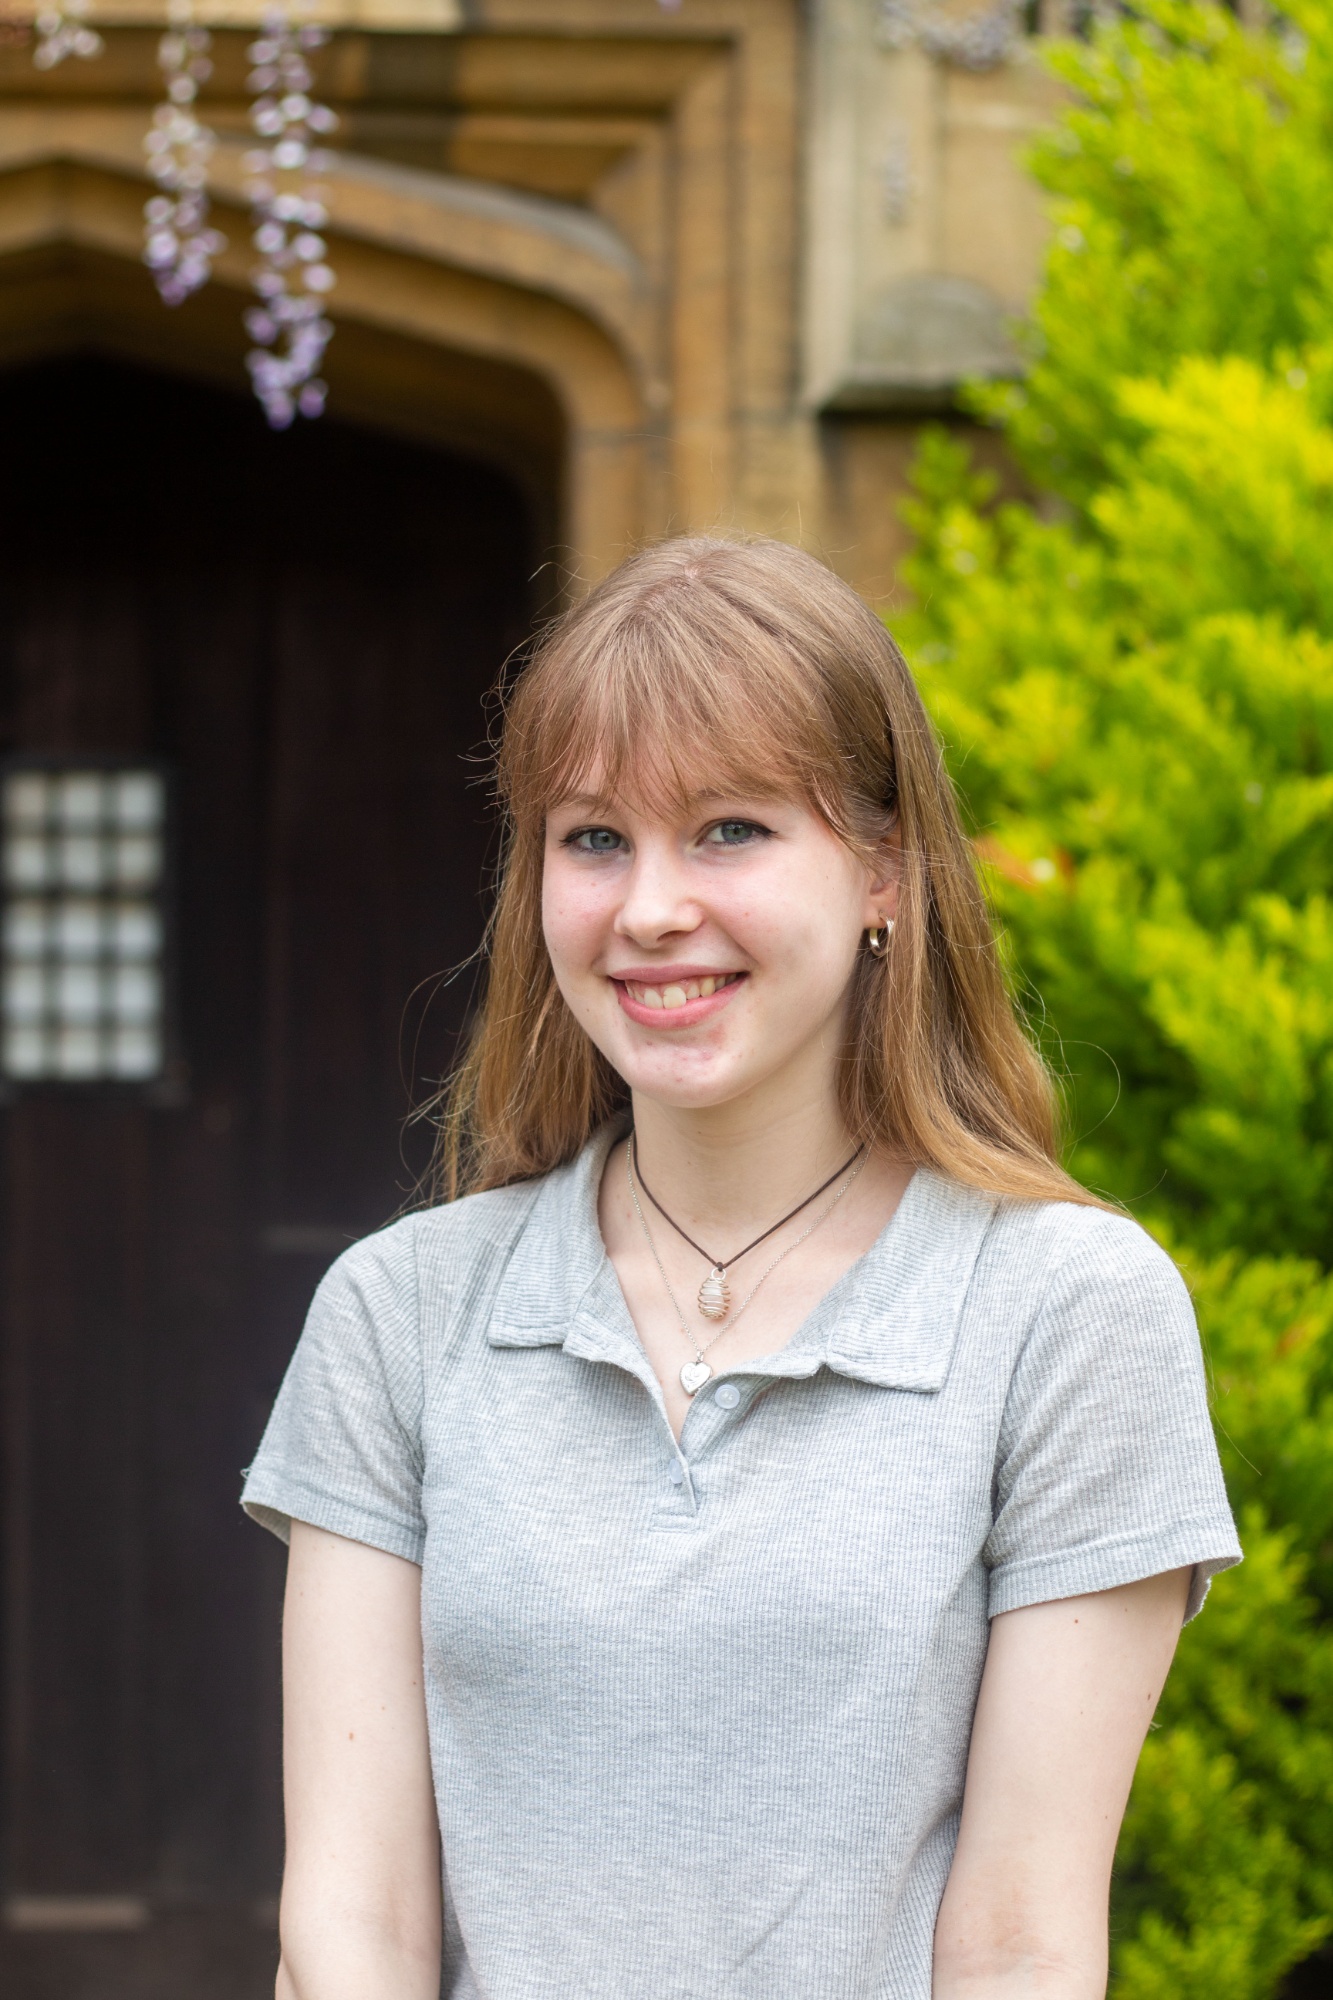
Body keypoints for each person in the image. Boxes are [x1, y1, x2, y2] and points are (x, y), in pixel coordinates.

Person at [242, 536, 1240, 2000]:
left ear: (884, 868)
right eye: (592, 839)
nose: (648, 907)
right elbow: (351, 1930)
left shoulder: (1069, 1314)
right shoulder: (398, 1314)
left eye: (727, 830)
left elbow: (1019, 1948)